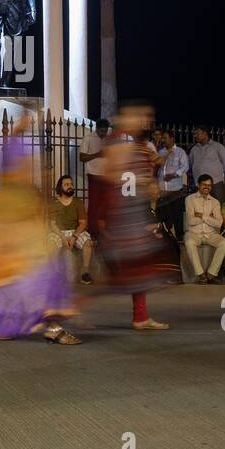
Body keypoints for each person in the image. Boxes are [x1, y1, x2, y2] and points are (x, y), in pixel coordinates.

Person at [0, 115, 80, 344]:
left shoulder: (13, 175)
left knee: (17, 278)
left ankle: (7, 325)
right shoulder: (13, 170)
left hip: (14, 226)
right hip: (16, 227)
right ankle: (52, 328)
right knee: (41, 274)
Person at [97, 102, 178, 329]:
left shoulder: (141, 148)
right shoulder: (119, 145)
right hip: (123, 220)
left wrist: (151, 183)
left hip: (134, 216)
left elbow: (147, 176)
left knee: (139, 271)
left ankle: (140, 316)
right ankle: (71, 309)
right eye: (140, 116)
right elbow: (112, 177)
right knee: (122, 276)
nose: (145, 120)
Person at [183, 174, 225, 284]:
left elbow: (218, 223)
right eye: (204, 184)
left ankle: (211, 274)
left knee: (224, 243)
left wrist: (202, 216)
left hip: (210, 234)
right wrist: (209, 217)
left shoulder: (215, 202)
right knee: (189, 242)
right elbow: (190, 221)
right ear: (198, 185)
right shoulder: (190, 199)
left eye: (209, 185)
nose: (207, 187)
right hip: (194, 233)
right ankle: (200, 274)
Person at [48, 174, 93, 284]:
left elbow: (83, 223)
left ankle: (85, 272)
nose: (70, 186)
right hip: (59, 232)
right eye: (66, 184)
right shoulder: (55, 202)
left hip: (75, 231)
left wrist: (74, 237)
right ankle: (53, 273)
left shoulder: (78, 202)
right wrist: (63, 238)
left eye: (71, 184)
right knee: (51, 243)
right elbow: (52, 224)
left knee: (88, 242)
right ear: (60, 187)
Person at [80, 119, 111, 236]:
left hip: (107, 175)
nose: (103, 133)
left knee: (106, 204)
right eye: (102, 131)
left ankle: (105, 231)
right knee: (93, 204)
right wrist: (98, 154)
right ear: (97, 128)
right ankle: (93, 231)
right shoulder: (88, 138)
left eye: (105, 131)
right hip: (93, 175)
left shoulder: (108, 140)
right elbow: (82, 157)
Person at [188, 126, 225, 204]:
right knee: (200, 209)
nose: (195, 136)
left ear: (204, 133)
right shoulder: (194, 149)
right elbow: (190, 163)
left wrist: (221, 174)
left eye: (197, 133)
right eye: (194, 134)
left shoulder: (217, 146)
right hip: (199, 185)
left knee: (218, 207)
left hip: (215, 184)